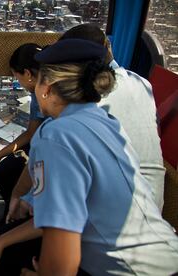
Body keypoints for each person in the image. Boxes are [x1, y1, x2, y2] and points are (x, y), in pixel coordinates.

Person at [0, 39, 178, 276]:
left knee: (0, 265)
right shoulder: (106, 122)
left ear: (47, 88)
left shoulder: (54, 136)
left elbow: (63, 255)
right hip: (165, 258)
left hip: (125, 270)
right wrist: (2, 241)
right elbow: (62, 215)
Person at [60, 23, 165, 211]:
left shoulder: (89, 99)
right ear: (108, 45)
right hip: (154, 202)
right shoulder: (141, 82)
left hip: (119, 213)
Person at [0, 43, 44, 223]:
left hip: (48, 153)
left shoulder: (47, 94)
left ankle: (19, 217)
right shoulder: (36, 94)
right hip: (38, 145)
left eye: (16, 77)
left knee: (10, 176)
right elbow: (32, 132)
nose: (18, 82)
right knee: (1, 171)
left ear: (27, 73)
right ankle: (14, 213)